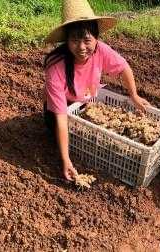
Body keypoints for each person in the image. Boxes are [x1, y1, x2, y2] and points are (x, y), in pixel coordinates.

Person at [43, 0, 150, 181]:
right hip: (62, 111)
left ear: (96, 38)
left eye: (87, 40)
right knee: (78, 142)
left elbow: (124, 67)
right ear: (67, 41)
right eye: (75, 40)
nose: (82, 47)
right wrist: (66, 159)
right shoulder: (56, 68)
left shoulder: (101, 50)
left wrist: (134, 95)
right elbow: (61, 118)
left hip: (86, 101)